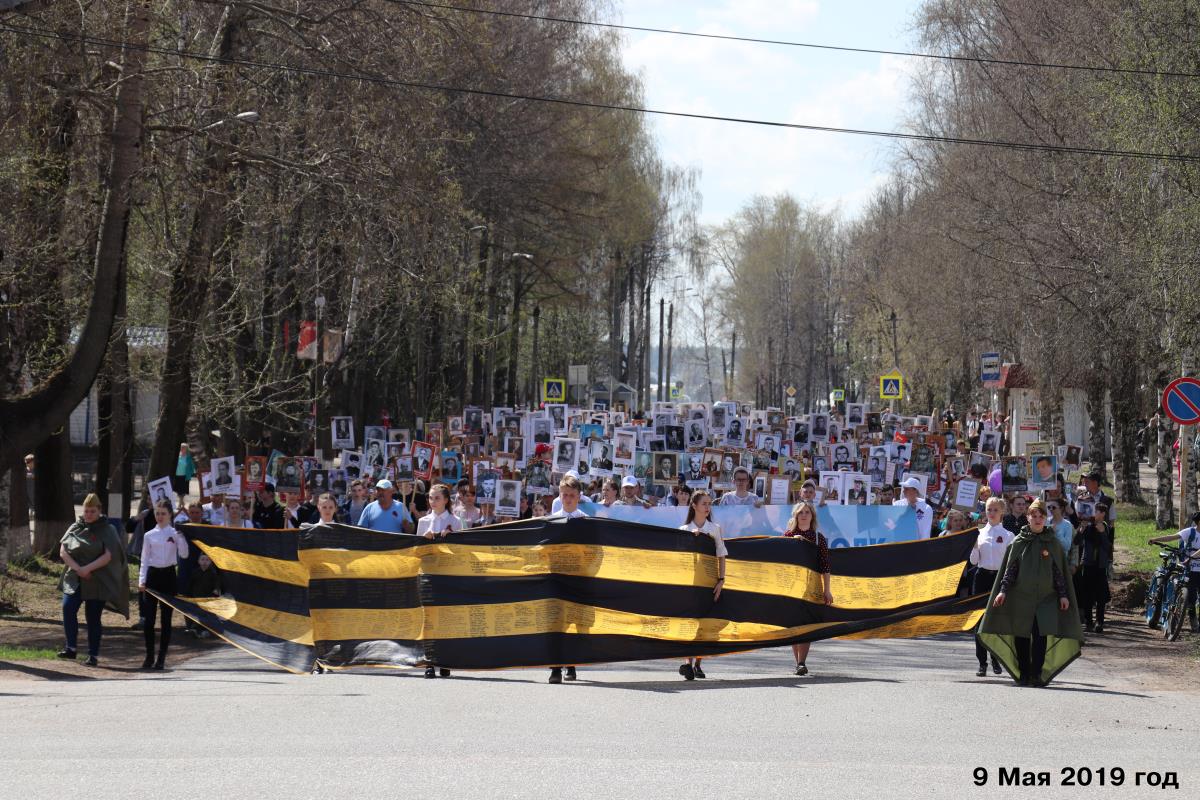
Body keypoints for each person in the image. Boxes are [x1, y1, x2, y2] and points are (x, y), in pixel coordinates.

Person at [978, 499, 1082, 687]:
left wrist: (1063, 595)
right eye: (1033, 516)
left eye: (1041, 516)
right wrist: (1002, 591)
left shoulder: (1053, 543)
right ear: (1028, 518)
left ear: (1045, 518)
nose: (1037, 519)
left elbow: (1058, 572)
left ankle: (1036, 673)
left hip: (1046, 599)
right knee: (1022, 635)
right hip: (1021, 597)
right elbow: (1011, 570)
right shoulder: (1019, 542)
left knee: (1041, 635)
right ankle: (1024, 672)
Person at [57, 494, 130, 667]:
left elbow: (108, 556)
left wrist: (87, 569)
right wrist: (78, 569)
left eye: (92, 511)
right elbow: (63, 551)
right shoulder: (76, 526)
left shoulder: (108, 529)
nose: (88, 514)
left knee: (93, 617)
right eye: (86, 511)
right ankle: (71, 648)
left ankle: (93, 655)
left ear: (99, 511)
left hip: (97, 579)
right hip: (75, 577)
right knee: (68, 608)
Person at [677, 491, 727, 681]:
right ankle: (687, 663)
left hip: (708, 582)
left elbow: (721, 555)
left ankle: (698, 663)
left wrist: (721, 580)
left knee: (704, 622)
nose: (707, 507)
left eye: (709, 503)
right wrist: (692, 538)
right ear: (694, 506)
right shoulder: (683, 529)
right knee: (690, 622)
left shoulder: (714, 528)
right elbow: (679, 558)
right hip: (689, 583)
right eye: (704, 503)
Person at [782, 501, 832, 675]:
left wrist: (827, 589)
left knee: (807, 625)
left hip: (811, 587)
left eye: (807, 512)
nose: (804, 515)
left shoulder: (819, 538)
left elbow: (825, 566)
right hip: (792, 588)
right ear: (796, 516)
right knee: (795, 626)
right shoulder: (787, 536)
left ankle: (802, 662)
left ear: (812, 516)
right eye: (800, 512)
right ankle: (798, 662)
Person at [138, 500, 188, 670]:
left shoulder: (174, 533)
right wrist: (141, 580)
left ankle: (161, 658)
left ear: (170, 515)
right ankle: (149, 656)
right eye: (157, 513)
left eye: (163, 513)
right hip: (152, 576)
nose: (160, 516)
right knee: (148, 620)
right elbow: (144, 559)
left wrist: (180, 537)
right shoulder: (149, 535)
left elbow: (184, 554)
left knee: (165, 620)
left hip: (168, 576)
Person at [548, 475, 588, 685]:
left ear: (579, 496)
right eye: (565, 495)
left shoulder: (585, 521)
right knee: (556, 621)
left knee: (574, 622)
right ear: (560, 496)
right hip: (556, 577)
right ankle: (555, 667)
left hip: (577, 577)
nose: (569, 499)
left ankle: (571, 663)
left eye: (572, 495)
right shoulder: (552, 520)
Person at [969, 497, 1009, 677]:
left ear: (1002, 512)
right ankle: (982, 662)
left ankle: (996, 658)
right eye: (988, 509)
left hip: (999, 578)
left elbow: (1010, 563)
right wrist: (974, 547)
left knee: (996, 620)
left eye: (995, 510)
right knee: (979, 620)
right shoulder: (979, 533)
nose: (991, 513)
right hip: (982, 576)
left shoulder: (1009, 535)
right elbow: (973, 561)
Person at [1149, 511, 1200, 633]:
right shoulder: (1190, 532)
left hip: (1195, 567)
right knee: (1191, 598)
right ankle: (1194, 625)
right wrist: (1155, 539)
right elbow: (1172, 537)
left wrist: (1191, 557)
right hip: (1190, 570)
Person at [1073, 501, 1113, 632]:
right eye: (1096, 511)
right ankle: (1089, 621)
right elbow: (1077, 542)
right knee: (1087, 595)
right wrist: (1081, 529)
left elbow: (1108, 547)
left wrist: (1102, 533)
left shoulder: (1106, 527)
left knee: (1101, 596)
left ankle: (1099, 622)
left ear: (1103, 514)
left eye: (1100, 512)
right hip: (1088, 564)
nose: (1097, 514)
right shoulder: (1088, 526)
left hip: (1100, 566)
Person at [183, 553, 220, 638]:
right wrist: (187, 595)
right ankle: (191, 628)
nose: (204, 562)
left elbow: (217, 585)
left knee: (205, 614)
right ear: (199, 561)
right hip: (196, 598)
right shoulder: (195, 572)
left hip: (208, 600)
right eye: (202, 559)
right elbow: (190, 585)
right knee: (188, 610)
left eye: (207, 560)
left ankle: (201, 629)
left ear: (210, 562)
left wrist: (216, 590)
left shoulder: (213, 573)